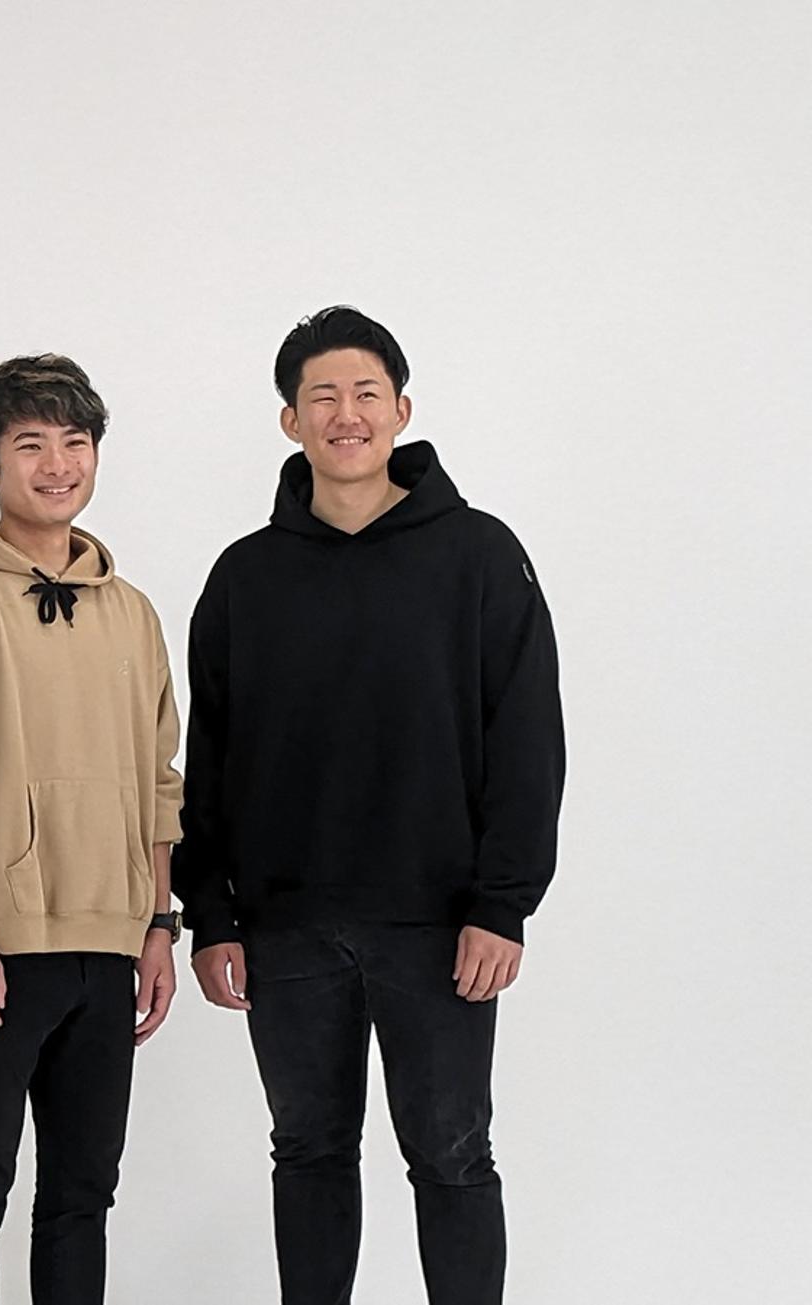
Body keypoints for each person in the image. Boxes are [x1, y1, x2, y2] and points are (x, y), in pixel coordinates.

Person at [176, 306, 565, 1305]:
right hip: (285, 927)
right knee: (307, 1151)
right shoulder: (244, 576)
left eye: (364, 394)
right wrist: (211, 915)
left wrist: (502, 903)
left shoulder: (479, 556)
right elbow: (208, 759)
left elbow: (527, 739)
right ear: (289, 420)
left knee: (452, 1154)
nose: (345, 415)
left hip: (440, 925)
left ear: (401, 409)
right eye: (322, 397)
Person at [0, 354, 185, 1304]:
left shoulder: (133, 613)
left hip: (111, 943)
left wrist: (157, 925)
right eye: (30, 444)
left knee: (82, 1196)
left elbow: (160, 783)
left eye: (75, 441)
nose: (57, 464)